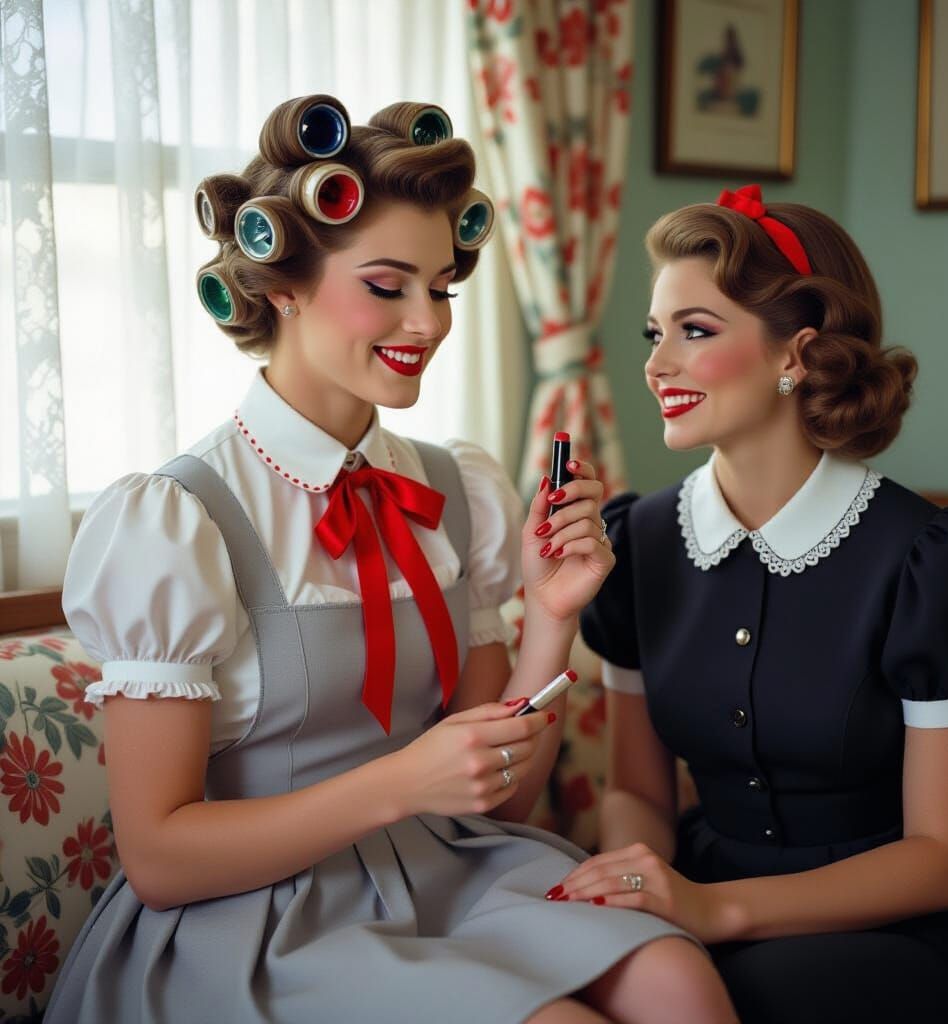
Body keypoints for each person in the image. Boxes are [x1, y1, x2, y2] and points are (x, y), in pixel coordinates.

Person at [44, 96, 737, 1024]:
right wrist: (403, 782)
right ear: (283, 289)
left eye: (441, 288)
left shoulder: (456, 486)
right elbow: (161, 861)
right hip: (261, 916)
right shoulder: (177, 521)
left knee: (678, 979)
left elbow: (503, 807)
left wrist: (551, 616)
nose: (428, 322)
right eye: (387, 286)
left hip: (447, 868)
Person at [556, 184, 948, 1023]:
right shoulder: (636, 545)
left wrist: (714, 911)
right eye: (655, 334)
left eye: (696, 331)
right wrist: (634, 894)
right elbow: (639, 794)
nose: (657, 366)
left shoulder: (931, 560)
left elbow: (943, 858)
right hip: (700, 896)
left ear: (796, 356)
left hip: (899, 928)